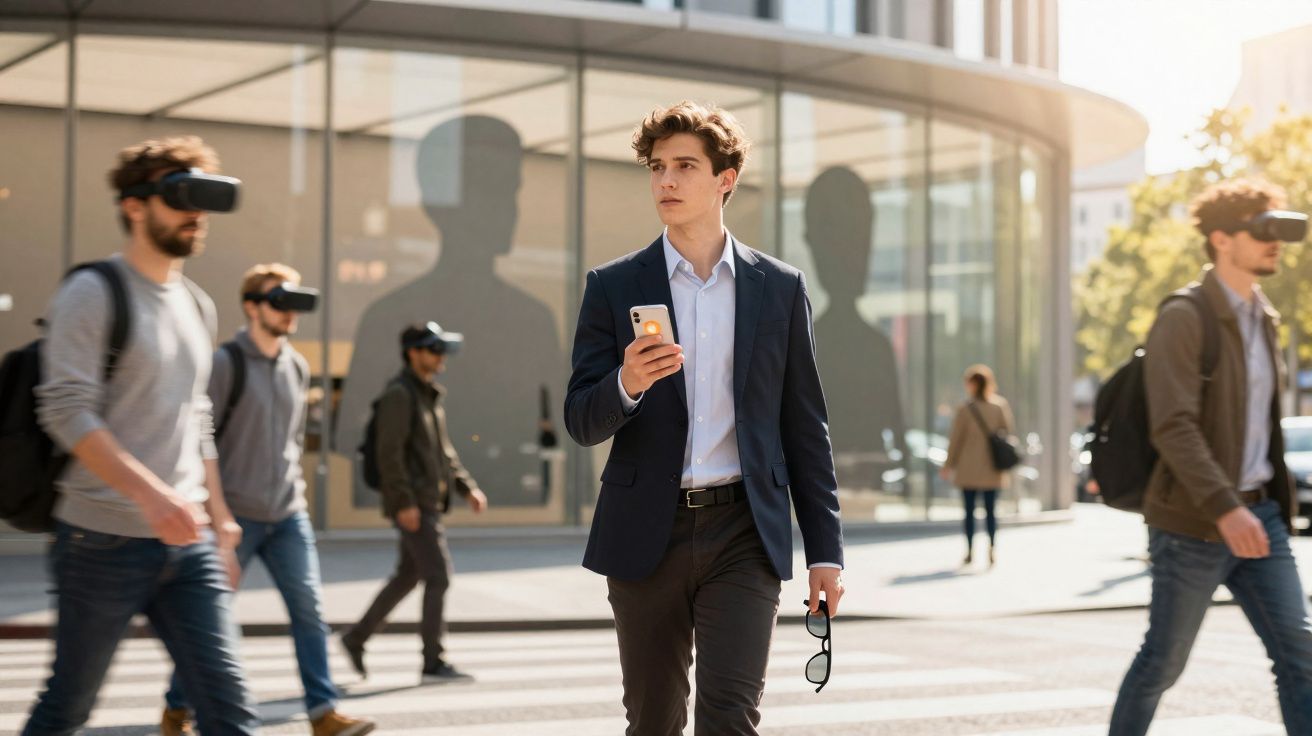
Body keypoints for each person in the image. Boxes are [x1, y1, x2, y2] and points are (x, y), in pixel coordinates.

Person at [564, 100, 846, 735]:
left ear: (726, 178)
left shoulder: (778, 287)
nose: (666, 181)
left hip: (744, 532)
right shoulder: (613, 286)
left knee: (730, 720)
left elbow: (805, 427)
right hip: (645, 536)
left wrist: (826, 551)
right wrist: (627, 382)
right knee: (653, 723)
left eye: (685, 166)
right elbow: (581, 419)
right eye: (657, 167)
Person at [24, 136, 259, 735]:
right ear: (135, 205)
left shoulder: (198, 304)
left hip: (189, 544)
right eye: (182, 197)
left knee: (229, 712)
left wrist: (219, 516)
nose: (196, 214)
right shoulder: (93, 291)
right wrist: (153, 495)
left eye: (204, 201)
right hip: (102, 541)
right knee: (67, 708)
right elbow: (66, 409)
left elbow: (195, 417)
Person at [1109, 179, 1312, 735]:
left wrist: (1260, 507)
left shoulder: (1264, 319)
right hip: (1193, 525)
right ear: (1221, 239)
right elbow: (1172, 426)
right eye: (1261, 229)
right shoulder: (1184, 315)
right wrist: (1225, 508)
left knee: (1302, 657)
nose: (1275, 242)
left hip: (1260, 517)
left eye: (1278, 229)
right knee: (1163, 664)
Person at [160, 264, 375, 736]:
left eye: (295, 300)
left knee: (309, 611)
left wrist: (294, 494)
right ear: (253, 306)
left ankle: (323, 712)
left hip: (287, 514)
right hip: (235, 516)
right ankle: (176, 707)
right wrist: (217, 515)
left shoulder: (297, 366)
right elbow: (201, 439)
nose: (290, 311)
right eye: (280, 299)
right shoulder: (225, 363)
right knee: (208, 618)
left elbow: (293, 442)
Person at [341, 322, 489, 683]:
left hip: (426, 500)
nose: (440, 358)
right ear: (413, 353)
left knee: (408, 576)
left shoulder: (427, 395)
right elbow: (389, 454)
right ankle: (433, 660)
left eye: (441, 351)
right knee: (438, 575)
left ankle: (356, 637)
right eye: (433, 350)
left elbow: (443, 451)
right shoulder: (400, 395)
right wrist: (403, 502)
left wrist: (465, 487)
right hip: (414, 503)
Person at [940, 364, 1014, 566]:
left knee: (969, 512)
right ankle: (991, 547)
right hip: (992, 468)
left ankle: (970, 550)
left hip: (969, 468)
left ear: (973, 384)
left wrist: (949, 465)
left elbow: (956, 440)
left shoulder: (965, 409)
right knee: (991, 511)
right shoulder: (999, 405)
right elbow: (1007, 432)